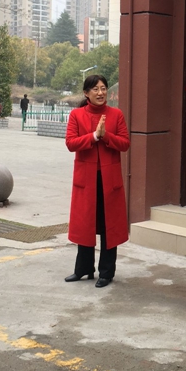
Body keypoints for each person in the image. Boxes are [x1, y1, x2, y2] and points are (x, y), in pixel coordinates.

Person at [64, 75, 130, 288]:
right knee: (86, 225)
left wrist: (105, 136)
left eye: (103, 88)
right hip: (86, 181)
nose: (100, 93)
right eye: (95, 89)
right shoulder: (76, 115)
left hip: (109, 181)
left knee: (109, 227)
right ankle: (83, 269)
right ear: (86, 93)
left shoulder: (116, 114)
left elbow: (125, 143)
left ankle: (106, 273)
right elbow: (71, 143)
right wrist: (93, 136)